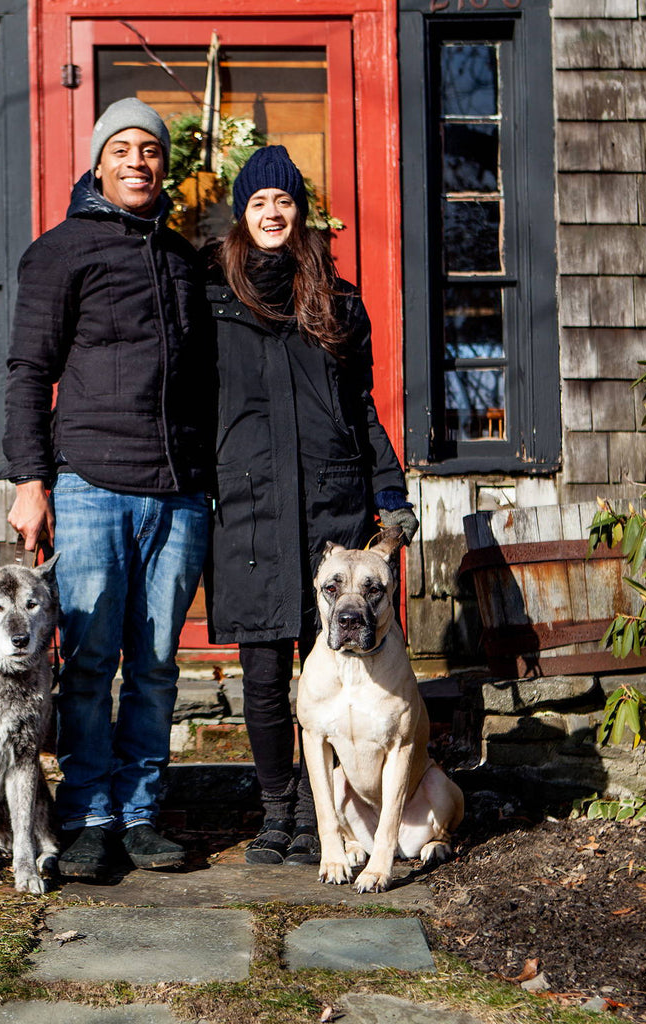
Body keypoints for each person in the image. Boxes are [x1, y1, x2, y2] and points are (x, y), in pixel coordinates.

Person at [2, 98, 212, 880]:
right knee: (90, 662)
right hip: (90, 484)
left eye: (150, 150)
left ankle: (142, 811)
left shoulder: (185, 260)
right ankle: (87, 813)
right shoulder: (60, 252)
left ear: (164, 165)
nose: (136, 161)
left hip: (180, 492)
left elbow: (207, 383)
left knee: (156, 662)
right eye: (121, 148)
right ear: (98, 164)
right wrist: (31, 479)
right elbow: (28, 372)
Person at [204, 145, 418, 865]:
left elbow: (360, 407)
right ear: (243, 213)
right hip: (251, 507)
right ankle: (275, 812)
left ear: (300, 214)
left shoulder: (337, 298)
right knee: (264, 670)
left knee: (331, 668)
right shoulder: (213, 295)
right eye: (259, 202)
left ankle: (314, 819)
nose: (272, 212)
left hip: (332, 504)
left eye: (284, 202)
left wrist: (389, 493)